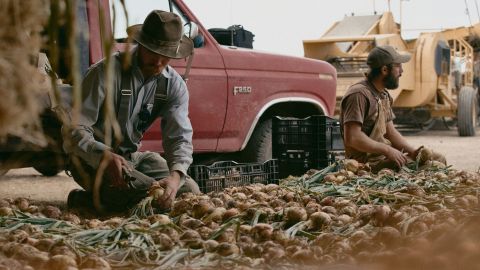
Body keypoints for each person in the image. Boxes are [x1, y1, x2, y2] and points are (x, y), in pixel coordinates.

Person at [64, 10, 200, 212]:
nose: (159, 63)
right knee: (149, 194)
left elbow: (179, 137)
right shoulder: (104, 73)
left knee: (188, 190)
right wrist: (103, 155)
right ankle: (87, 200)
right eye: (153, 53)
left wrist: (176, 175)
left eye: (166, 57)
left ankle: (103, 200)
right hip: (92, 159)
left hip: (131, 158)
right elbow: (73, 130)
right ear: (141, 44)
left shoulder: (174, 85)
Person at [340, 45, 446, 172]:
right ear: (385, 70)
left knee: (439, 158)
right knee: (434, 167)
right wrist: (387, 150)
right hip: (366, 164)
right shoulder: (358, 95)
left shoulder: (383, 95)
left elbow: (391, 132)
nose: (401, 71)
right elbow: (353, 137)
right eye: (398, 66)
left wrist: (412, 151)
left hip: (382, 157)